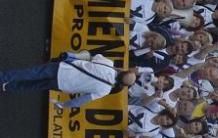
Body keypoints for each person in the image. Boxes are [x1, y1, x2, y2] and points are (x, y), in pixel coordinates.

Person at [0, 51, 136, 107]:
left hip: (63, 68)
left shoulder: (108, 64)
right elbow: (81, 100)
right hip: (63, 85)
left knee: (29, 73)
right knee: (37, 85)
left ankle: (3, 78)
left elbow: (87, 56)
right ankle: (9, 87)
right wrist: (63, 105)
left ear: (123, 71)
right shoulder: (105, 90)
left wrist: (70, 54)